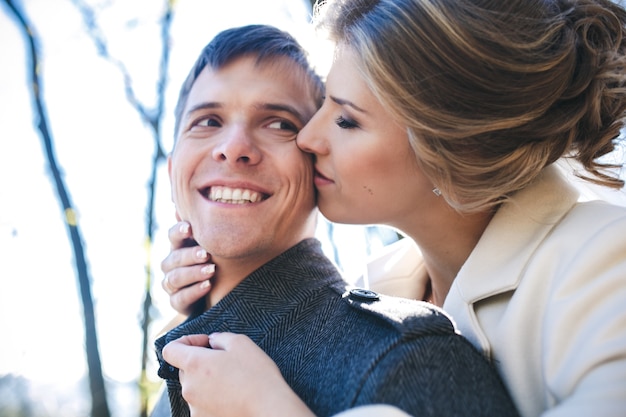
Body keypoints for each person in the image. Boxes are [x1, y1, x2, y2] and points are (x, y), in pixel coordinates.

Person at [161, 0, 626, 416]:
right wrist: (212, 302)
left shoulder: (606, 261)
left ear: (448, 150)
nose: (307, 138)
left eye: (345, 119)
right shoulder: (377, 285)